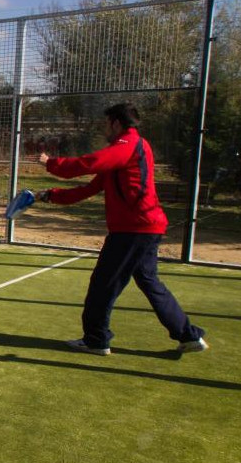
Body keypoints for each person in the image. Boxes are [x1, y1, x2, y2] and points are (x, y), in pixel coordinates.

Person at [36, 103, 207, 356]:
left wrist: (52, 163)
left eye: (107, 124)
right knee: (150, 283)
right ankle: (188, 336)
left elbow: (88, 163)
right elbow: (88, 189)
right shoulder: (122, 154)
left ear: (116, 123)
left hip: (133, 230)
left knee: (103, 284)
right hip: (143, 228)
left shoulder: (128, 145)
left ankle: (96, 340)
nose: (105, 128)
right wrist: (50, 195)